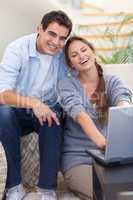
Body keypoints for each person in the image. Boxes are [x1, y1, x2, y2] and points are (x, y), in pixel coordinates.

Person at [0, 10, 72, 200]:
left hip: (47, 108)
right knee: (3, 113)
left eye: (62, 38)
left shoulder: (62, 55)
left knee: (54, 117)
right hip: (18, 110)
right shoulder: (18, 49)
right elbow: (2, 94)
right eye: (52, 34)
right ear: (40, 29)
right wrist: (33, 103)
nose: (56, 42)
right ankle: (14, 187)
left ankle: (47, 190)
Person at [57, 36, 132, 200]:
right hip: (78, 159)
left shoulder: (111, 81)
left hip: (110, 158)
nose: (81, 56)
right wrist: (103, 143)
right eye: (74, 55)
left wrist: (124, 109)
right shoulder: (66, 85)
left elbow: (123, 99)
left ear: (93, 52)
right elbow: (80, 115)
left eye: (84, 50)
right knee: (109, 195)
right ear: (71, 64)